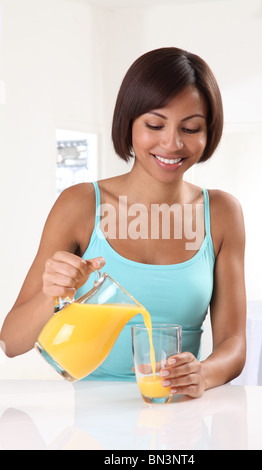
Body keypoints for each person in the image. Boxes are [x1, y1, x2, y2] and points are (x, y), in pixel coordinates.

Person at [0, 47, 246, 398]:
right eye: (155, 124)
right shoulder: (80, 205)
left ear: (208, 132)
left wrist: (202, 374)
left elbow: (233, 343)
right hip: (93, 422)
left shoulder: (222, 213)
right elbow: (10, 342)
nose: (172, 143)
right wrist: (52, 296)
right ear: (128, 122)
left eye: (191, 128)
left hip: (179, 417)